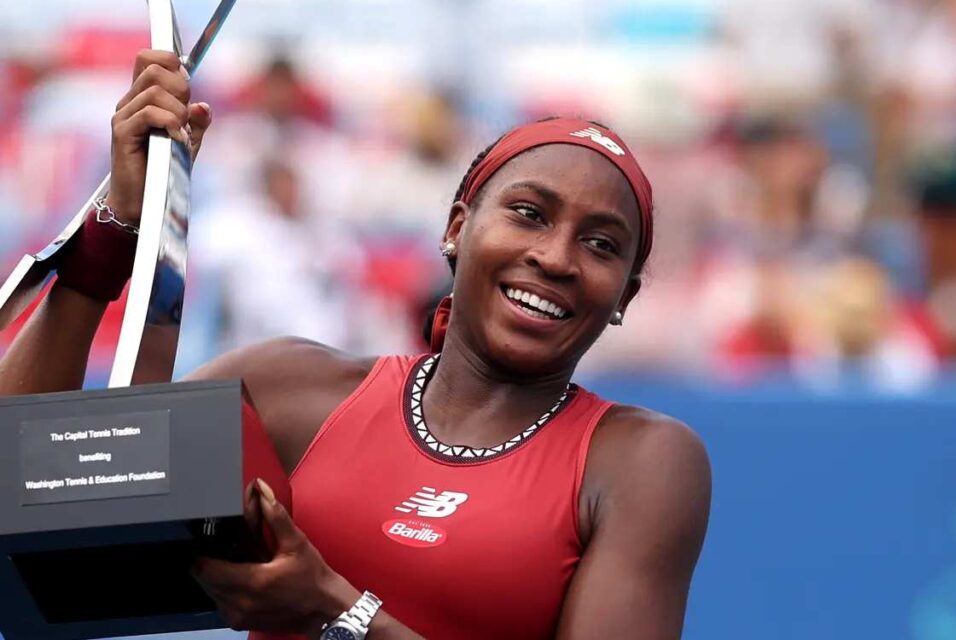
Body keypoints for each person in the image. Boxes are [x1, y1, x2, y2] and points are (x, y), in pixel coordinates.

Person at [0, 50, 712, 639]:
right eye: (528, 213)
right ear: (457, 228)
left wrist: (339, 613)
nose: (556, 257)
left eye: (600, 244)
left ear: (625, 295)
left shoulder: (640, 462)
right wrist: (110, 237)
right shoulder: (288, 391)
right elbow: (27, 487)